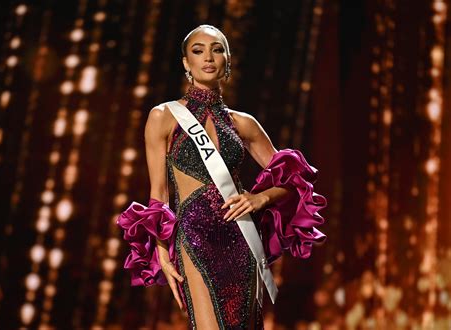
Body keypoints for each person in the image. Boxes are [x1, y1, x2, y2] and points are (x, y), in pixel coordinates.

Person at [117, 24, 327, 329]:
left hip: (241, 235)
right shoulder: (163, 116)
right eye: (198, 51)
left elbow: (294, 182)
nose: (208, 57)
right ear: (186, 63)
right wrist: (162, 253)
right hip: (193, 235)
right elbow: (158, 194)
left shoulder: (244, 124)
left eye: (217, 50)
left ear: (227, 61)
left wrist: (260, 198)